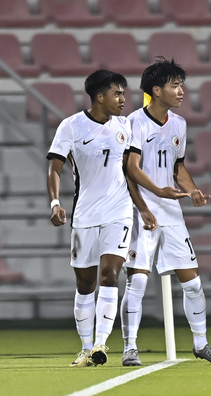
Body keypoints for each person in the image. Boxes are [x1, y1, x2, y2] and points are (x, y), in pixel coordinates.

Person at [120, 58, 211, 366]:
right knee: (138, 281)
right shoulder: (134, 122)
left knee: (193, 282)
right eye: (175, 85)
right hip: (140, 210)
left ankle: (200, 344)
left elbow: (178, 167)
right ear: (156, 91)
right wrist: (154, 194)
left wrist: (192, 190)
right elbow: (131, 168)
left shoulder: (179, 124)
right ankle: (130, 347)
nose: (181, 90)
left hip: (170, 210)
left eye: (181, 84)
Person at [47, 70, 134, 367]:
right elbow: (54, 169)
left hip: (119, 211)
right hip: (84, 214)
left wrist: (145, 206)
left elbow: (132, 170)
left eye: (123, 93)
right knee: (85, 285)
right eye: (117, 94)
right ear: (99, 97)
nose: (123, 99)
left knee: (109, 273)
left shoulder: (126, 126)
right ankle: (86, 349)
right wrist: (55, 203)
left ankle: (101, 344)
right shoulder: (71, 127)